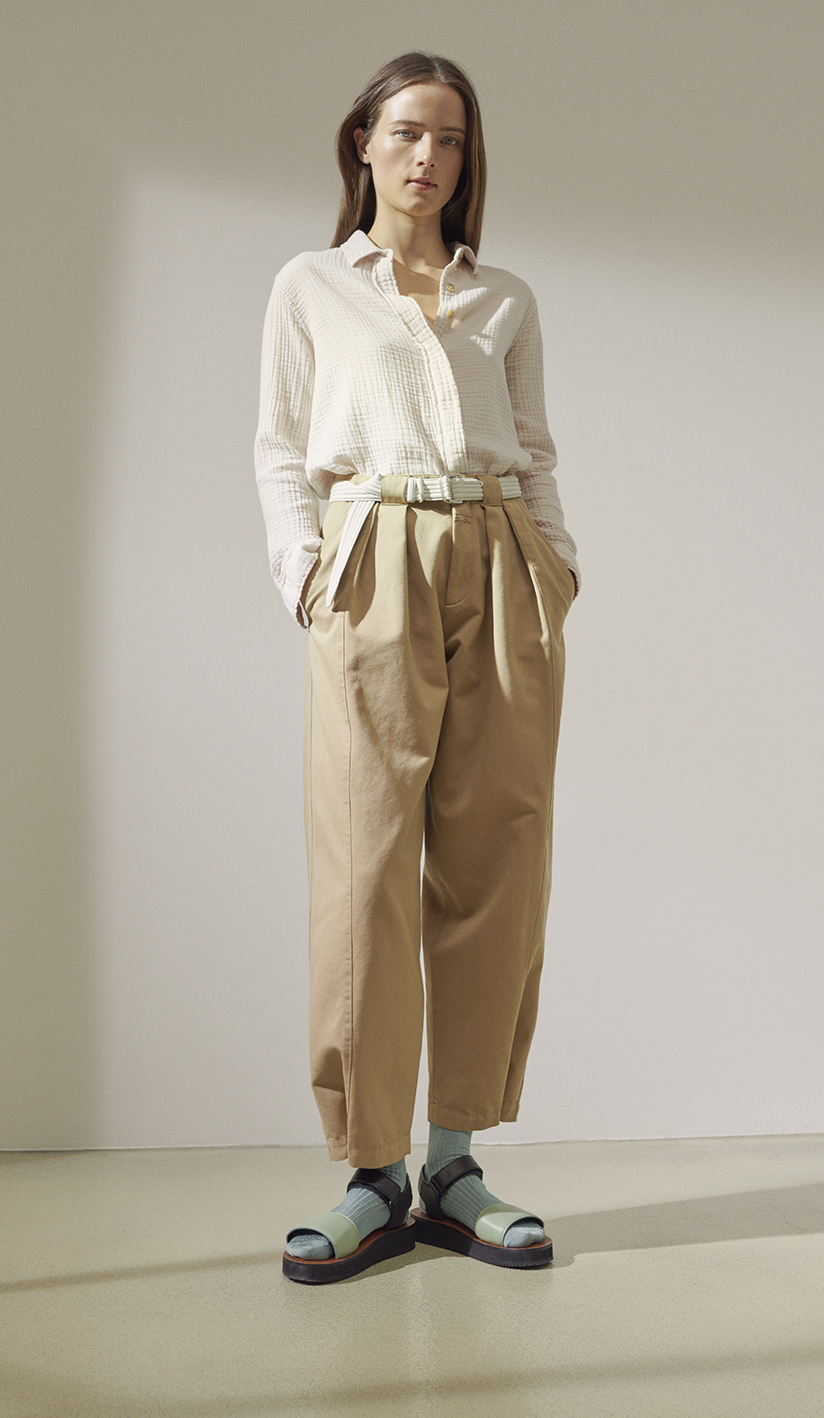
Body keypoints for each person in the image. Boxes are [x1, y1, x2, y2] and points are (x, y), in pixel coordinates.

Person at [254, 51, 579, 1284]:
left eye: (449, 138)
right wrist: (306, 571)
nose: (428, 157)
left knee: (498, 856)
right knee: (365, 867)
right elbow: (279, 445)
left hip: (502, 562)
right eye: (405, 132)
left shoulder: (506, 297)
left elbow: (535, 448)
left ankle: (453, 1162)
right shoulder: (311, 285)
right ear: (363, 143)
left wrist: (556, 568)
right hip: (372, 558)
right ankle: (371, 1170)